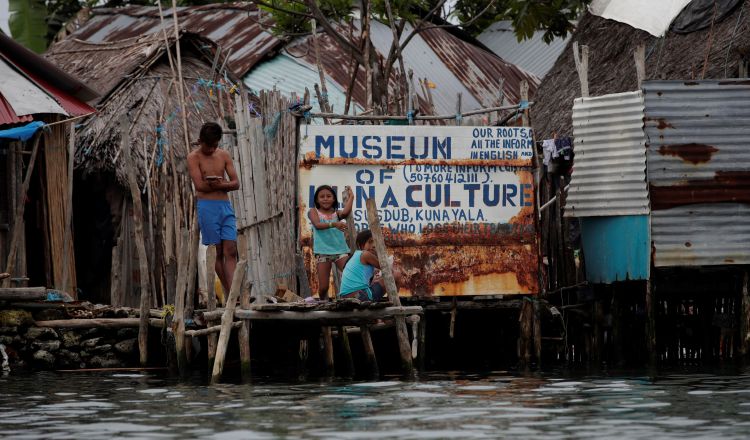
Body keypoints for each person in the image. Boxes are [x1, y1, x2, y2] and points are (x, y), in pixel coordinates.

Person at [187, 122, 240, 294]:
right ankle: (231, 292)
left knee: (231, 250)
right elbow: (199, 186)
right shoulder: (193, 157)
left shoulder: (224, 155)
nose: (211, 149)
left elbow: (236, 183)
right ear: (200, 141)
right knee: (217, 252)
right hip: (207, 207)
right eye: (208, 145)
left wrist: (221, 184)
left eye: (214, 145)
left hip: (224, 206)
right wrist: (221, 185)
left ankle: (234, 292)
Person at [308, 185, 353, 301]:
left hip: (340, 250)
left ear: (334, 199)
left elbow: (346, 212)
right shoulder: (313, 212)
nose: (325, 199)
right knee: (323, 287)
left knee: (351, 273)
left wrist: (351, 197)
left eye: (329, 196)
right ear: (317, 200)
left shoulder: (336, 214)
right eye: (322, 196)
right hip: (322, 252)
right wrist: (334, 224)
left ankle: (353, 298)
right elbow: (317, 225)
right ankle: (324, 304)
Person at [338, 229, 393, 301]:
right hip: (360, 296)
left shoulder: (357, 255)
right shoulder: (365, 254)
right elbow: (387, 269)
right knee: (396, 275)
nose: (373, 245)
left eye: (375, 242)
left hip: (348, 297)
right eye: (370, 242)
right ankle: (393, 304)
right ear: (361, 245)